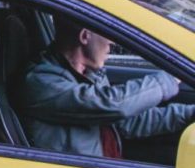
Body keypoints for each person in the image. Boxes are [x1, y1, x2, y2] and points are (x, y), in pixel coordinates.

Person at [16, 14, 195, 158]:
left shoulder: (88, 74)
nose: (112, 42)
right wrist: (168, 80)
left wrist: (189, 114)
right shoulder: (41, 82)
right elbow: (112, 105)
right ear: (85, 36)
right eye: (106, 34)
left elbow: (126, 122)